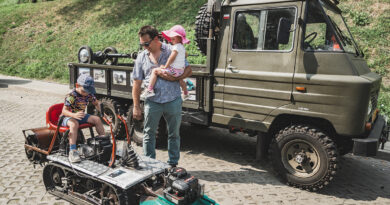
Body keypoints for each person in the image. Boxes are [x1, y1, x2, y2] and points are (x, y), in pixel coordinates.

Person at [131, 25, 192, 167]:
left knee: (174, 134)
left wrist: (175, 78)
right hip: (152, 102)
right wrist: (136, 106)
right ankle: (149, 164)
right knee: (149, 134)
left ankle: (172, 164)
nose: (145, 47)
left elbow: (188, 70)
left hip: (173, 100)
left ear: (156, 38)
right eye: (142, 44)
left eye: (147, 43)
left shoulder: (173, 49)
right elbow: (137, 83)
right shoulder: (141, 57)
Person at [61, 74, 105, 163]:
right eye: (84, 91)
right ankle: (73, 151)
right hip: (68, 117)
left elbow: (97, 103)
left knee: (97, 119)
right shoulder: (72, 96)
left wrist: (103, 113)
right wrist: (74, 115)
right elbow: (64, 111)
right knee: (74, 124)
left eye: (88, 91)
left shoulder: (88, 95)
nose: (86, 93)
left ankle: (103, 142)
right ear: (77, 85)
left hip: (81, 116)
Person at [141, 25, 190, 101]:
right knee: (180, 80)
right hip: (180, 70)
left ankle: (150, 89)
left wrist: (166, 66)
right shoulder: (182, 47)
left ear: (179, 38)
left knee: (155, 71)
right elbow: (185, 55)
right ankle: (186, 93)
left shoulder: (176, 47)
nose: (171, 40)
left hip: (175, 71)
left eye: (173, 39)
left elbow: (171, 58)